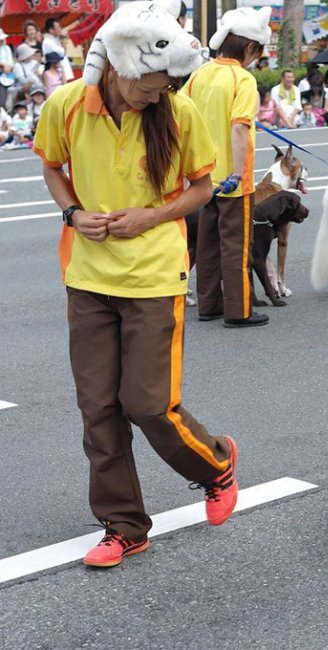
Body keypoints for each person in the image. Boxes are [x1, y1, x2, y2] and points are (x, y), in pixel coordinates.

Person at [33, 0, 239, 568]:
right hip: (87, 275)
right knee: (97, 407)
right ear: (122, 64)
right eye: (152, 83)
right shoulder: (67, 105)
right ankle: (123, 526)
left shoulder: (179, 111)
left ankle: (216, 463)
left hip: (154, 275)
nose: (160, 92)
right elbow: (51, 165)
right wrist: (73, 214)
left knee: (149, 404)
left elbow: (203, 185)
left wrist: (152, 215)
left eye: (168, 83)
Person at [182, 6, 271, 327]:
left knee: (206, 244)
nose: (256, 60)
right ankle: (239, 310)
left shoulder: (200, 74)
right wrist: (236, 172)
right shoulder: (242, 79)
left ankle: (208, 305)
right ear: (249, 47)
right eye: (257, 53)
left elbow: (183, 120)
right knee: (236, 247)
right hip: (235, 181)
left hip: (204, 179)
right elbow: (239, 128)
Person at [42, 18, 73, 82]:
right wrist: (63, 40)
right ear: (51, 30)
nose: (60, 29)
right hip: (55, 73)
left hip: (61, 71)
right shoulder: (47, 41)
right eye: (58, 27)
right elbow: (62, 52)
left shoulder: (55, 39)